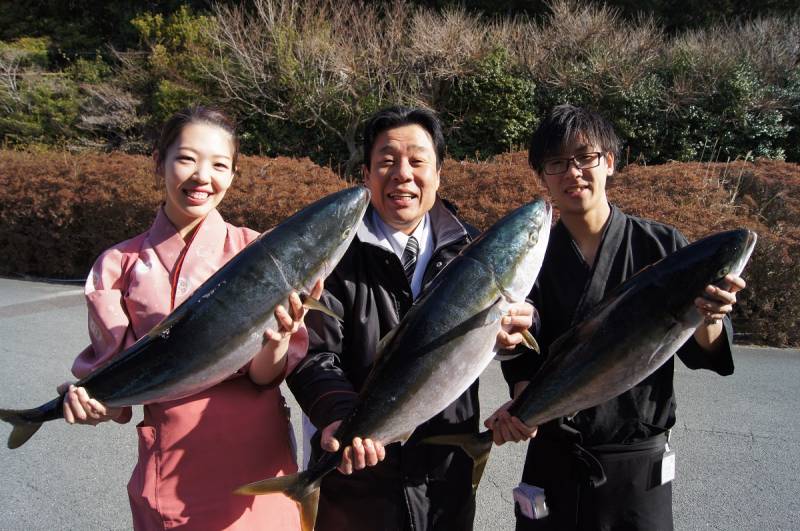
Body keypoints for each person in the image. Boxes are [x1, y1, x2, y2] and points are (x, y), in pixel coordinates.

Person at [488, 104, 747, 531]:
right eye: (556, 163)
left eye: (585, 158)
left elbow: (703, 354)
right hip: (555, 455)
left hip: (638, 466)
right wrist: (523, 406)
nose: (572, 173)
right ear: (542, 176)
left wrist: (711, 317)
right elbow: (521, 354)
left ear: (610, 161)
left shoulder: (661, 244)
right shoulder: (533, 259)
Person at [59, 106, 314, 530]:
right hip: (168, 482)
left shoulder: (260, 252)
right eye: (186, 159)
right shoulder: (117, 265)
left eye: (219, 164)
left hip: (258, 477)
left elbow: (264, 378)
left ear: (233, 173)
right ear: (159, 162)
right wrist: (88, 404)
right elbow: (115, 389)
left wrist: (277, 341)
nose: (202, 176)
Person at [286, 105, 534, 531]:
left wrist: (512, 342)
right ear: (365, 175)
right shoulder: (333, 257)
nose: (403, 173)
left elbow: (511, 340)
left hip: (444, 480)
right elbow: (311, 353)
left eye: (418, 161)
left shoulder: (475, 251)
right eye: (387, 161)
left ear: (438, 174)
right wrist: (339, 414)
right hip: (357, 478)